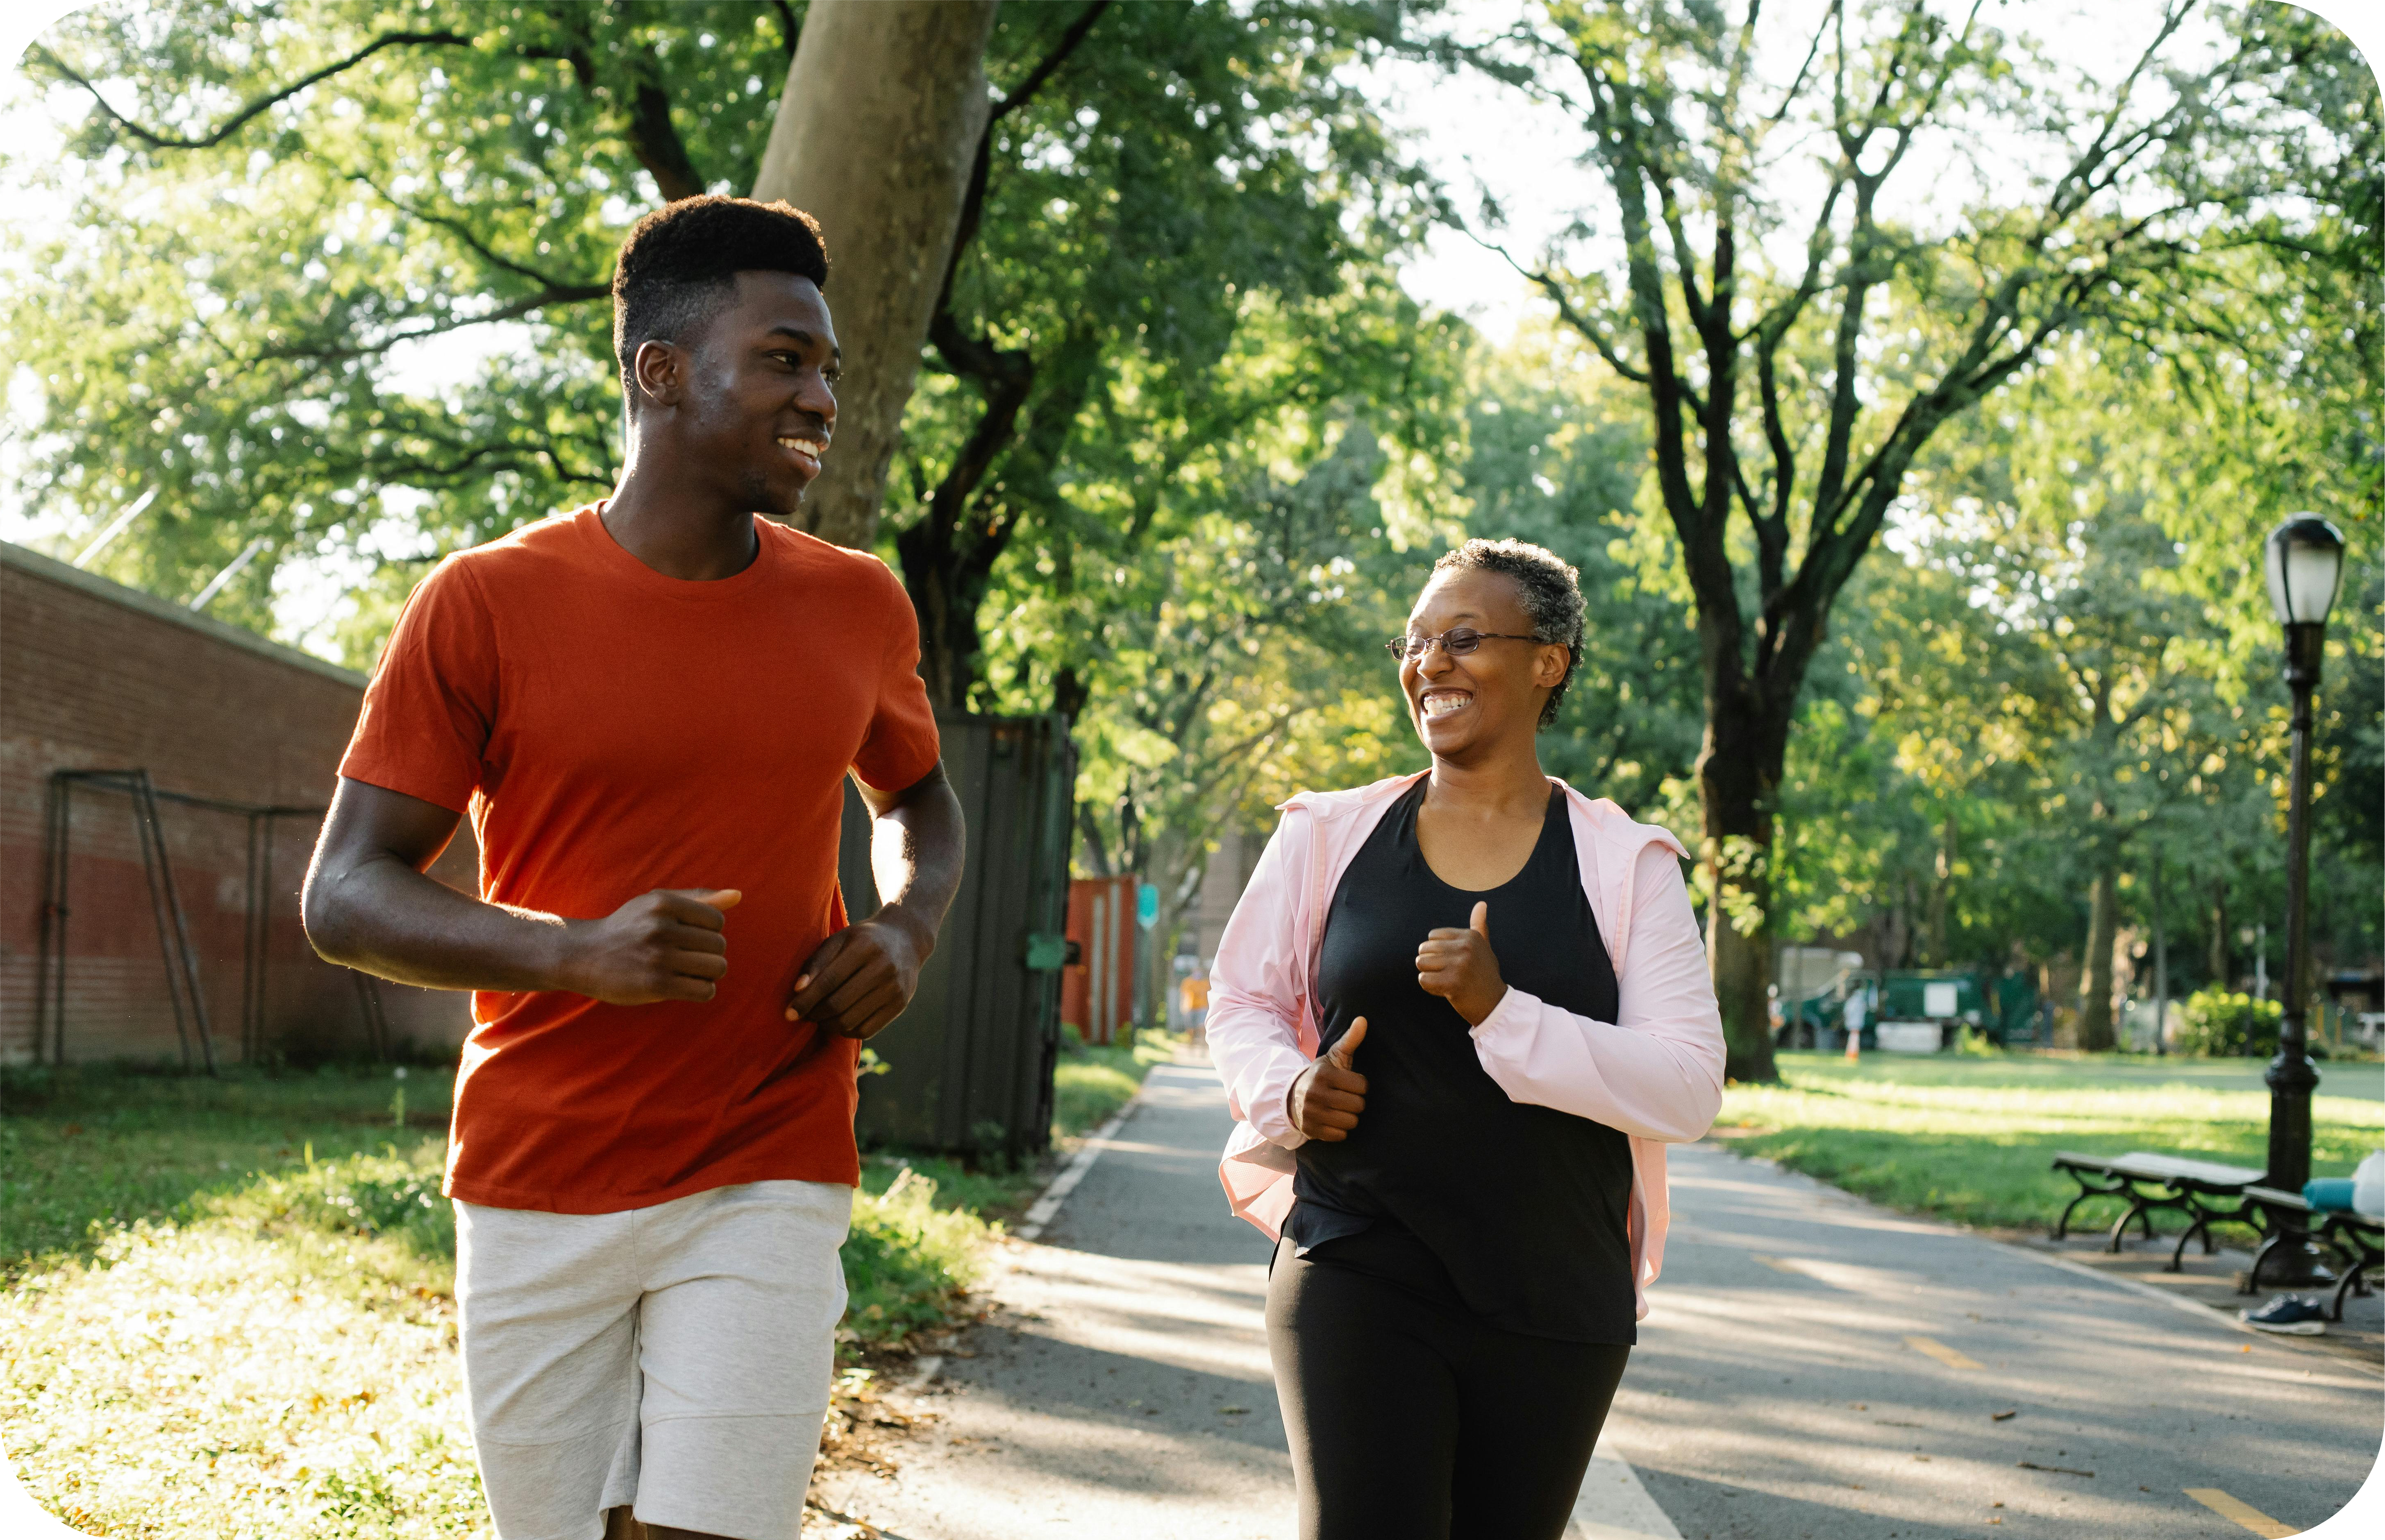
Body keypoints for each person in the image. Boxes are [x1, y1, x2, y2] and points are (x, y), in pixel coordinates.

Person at [302, 195, 965, 1540]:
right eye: (786, 360)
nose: (824, 396)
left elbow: (926, 804)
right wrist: (567, 950)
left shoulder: (859, 604)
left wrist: (906, 929)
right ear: (661, 372)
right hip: (542, 1170)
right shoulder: (486, 603)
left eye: (827, 366)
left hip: (770, 1159)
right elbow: (346, 893)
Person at [1205, 539, 1724, 1540]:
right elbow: (1242, 999)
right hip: (1358, 1255)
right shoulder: (1327, 833)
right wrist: (1288, 1090)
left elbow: (1687, 1084)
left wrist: (1504, 1013)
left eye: (1464, 638)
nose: (1428, 662)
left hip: (1555, 1290)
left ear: (1549, 661)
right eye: (1416, 641)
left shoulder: (1629, 864)